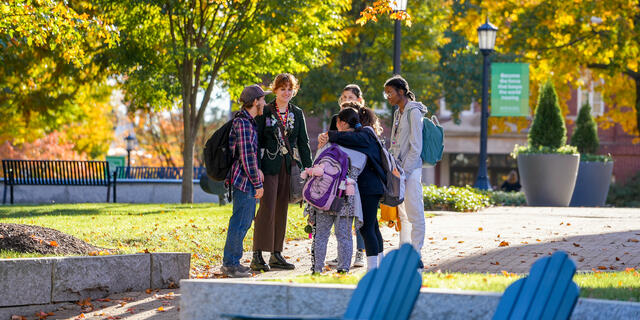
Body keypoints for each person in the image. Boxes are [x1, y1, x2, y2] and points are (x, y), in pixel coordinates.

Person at [251, 73, 313, 271]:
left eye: (290, 89)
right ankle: (257, 254)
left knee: (281, 210)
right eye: (282, 88)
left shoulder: (297, 112)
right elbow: (257, 140)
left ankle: (276, 254)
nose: (286, 92)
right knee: (266, 208)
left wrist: (309, 168)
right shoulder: (266, 111)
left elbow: (303, 143)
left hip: (287, 166)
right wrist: (256, 168)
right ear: (275, 90)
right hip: (267, 167)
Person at [318, 106, 387, 271]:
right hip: (371, 188)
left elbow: (353, 139)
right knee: (373, 227)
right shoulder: (364, 135)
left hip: (369, 189)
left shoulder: (365, 135)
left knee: (366, 228)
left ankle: (373, 270)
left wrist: (330, 135)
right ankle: (381, 264)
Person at [307, 107, 366, 274]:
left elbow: (317, 163)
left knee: (321, 235)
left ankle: (317, 269)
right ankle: (343, 270)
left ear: (341, 123)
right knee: (345, 236)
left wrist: (321, 145)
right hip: (347, 196)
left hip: (325, 195)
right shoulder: (362, 145)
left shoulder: (330, 142)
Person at [221, 84, 268, 278]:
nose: (265, 103)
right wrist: (257, 184)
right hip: (244, 181)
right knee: (240, 221)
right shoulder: (243, 123)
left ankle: (233, 261)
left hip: (246, 178)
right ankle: (230, 264)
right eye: (263, 99)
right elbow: (247, 157)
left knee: (244, 220)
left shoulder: (248, 122)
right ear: (255, 101)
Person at [385, 75, 426, 269]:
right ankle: (404, 253)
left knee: (414, 212)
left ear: (401, 91)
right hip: (398, 169)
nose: (388, 97)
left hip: (411, 170)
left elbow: (416, 147)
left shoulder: (413, 112)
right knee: (402, 215)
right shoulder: (398, 113)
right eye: (386, 94)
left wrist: (405, 172)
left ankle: (416, 253)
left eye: (390, 93)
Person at [326, 86, 367, 268]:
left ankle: (360, 253)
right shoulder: (337, 120)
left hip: (357, 175)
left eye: (349, 97)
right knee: (340, 218)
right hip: (339, 176)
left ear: (359, 100)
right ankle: (341, 255)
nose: (345, 100)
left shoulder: (363, 121)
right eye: (343, 97)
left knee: (356, 214)